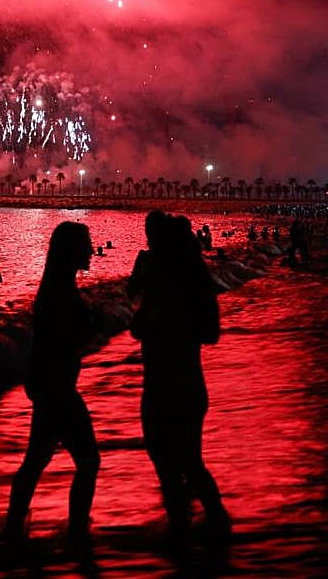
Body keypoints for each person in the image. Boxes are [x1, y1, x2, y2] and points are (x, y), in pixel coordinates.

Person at [128, 213, 230, 551]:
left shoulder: (182, 282)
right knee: (170, 463)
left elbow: (208, 332)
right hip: (164, 384)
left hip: (178, 384)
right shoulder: (165, 279)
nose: (148, 247)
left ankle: (209, 529)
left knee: (183, 462)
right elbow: (140, 327)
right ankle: (189, 532)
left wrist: (166, 323)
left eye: (152, 241)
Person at [5, 222, 100, 544]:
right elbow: (60, 342)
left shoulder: (58, 286)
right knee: (88, 461)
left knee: (36, 460)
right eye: (86, 244)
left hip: (50, 387)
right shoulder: (60, 292)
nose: (91, 250)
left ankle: (14, 526)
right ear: (71, 250)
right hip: (58, 389)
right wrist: (92, 323)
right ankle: (76, 532)